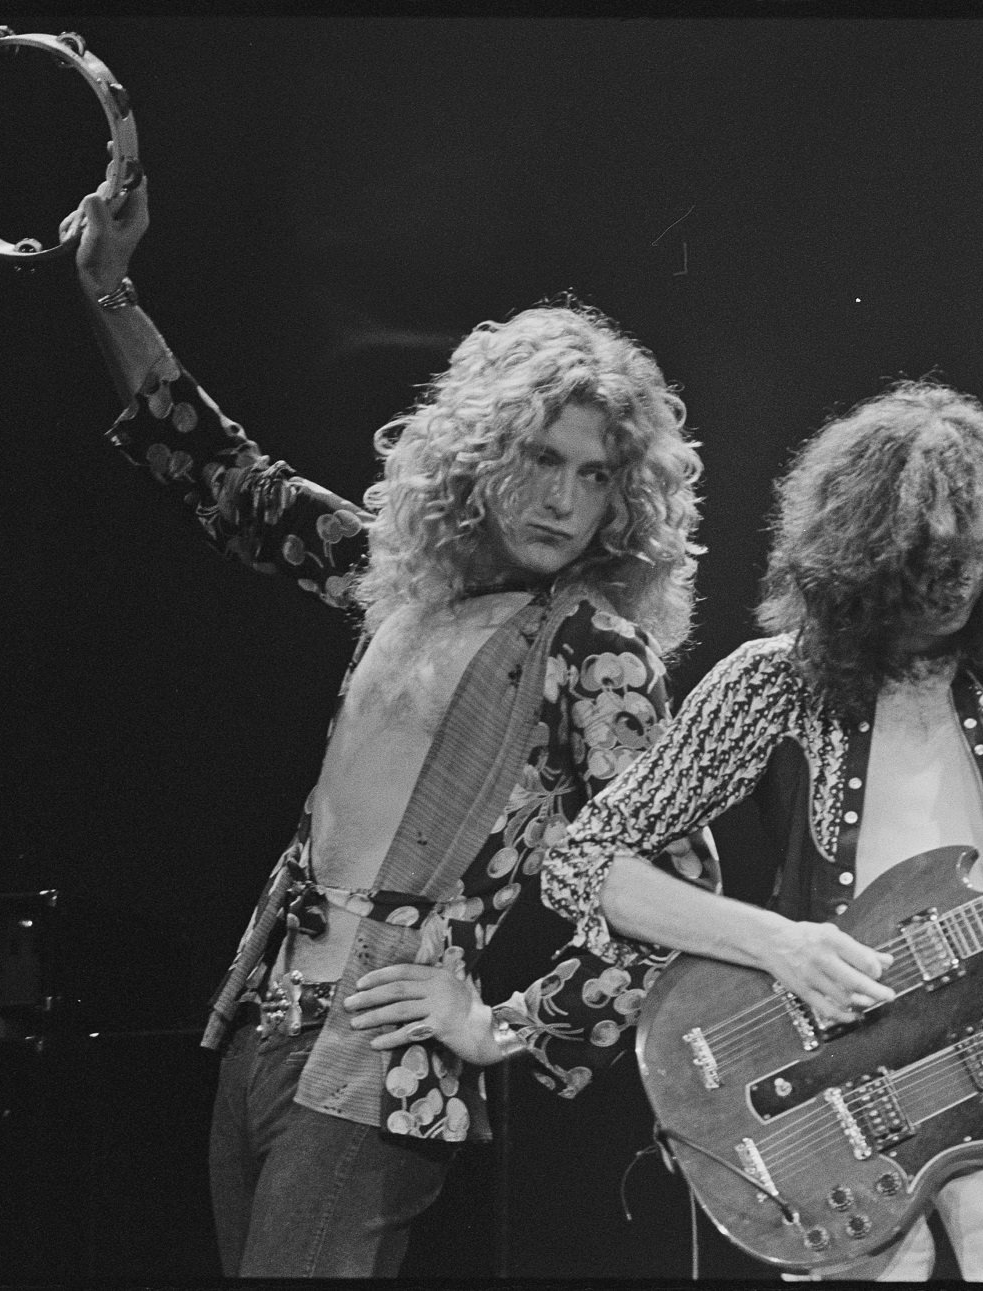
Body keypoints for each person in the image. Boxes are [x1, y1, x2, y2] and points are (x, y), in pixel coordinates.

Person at [60, 170, 776, 1278]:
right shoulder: (394, 580)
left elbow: (681, 894)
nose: (559, 499)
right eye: (541, 457)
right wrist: (111, 295)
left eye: (592, 477)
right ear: (482, 453)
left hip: (378, 1059)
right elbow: (226, 480)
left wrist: (507, 1023)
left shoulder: (591, 652)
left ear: (619, 502)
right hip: (262, 1025)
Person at [543, 379, 983, 1281]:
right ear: (853, 570)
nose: (938, 603)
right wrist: (779, 943)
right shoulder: (775, 681)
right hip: (838, 1086)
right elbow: (581, 860)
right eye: (912, 581)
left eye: (960, 578)